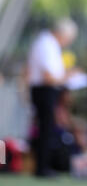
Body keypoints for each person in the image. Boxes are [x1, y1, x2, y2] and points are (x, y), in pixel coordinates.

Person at [27, 17, 78, 177]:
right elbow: (48, 77)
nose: (67, 42)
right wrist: (68, 77)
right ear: (62, 34)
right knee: (45, 128)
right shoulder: (46, 44)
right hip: (44, 90)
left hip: (46, 90)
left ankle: (44, 166)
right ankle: (42, 167)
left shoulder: (49, 44)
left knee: (47, 128)